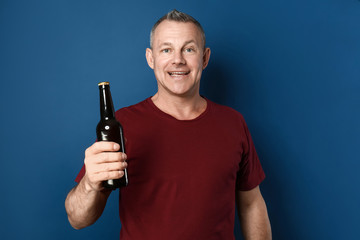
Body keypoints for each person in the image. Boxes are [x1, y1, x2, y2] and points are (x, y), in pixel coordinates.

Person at [65, 9, 272, 240]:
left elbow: (252, 204)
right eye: (167, 49)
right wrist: (90, 184)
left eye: (189, 49)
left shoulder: (234, 123)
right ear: (150, 58)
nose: (178, 60)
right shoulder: (123, 125)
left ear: (205, 58)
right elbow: (77, 219)